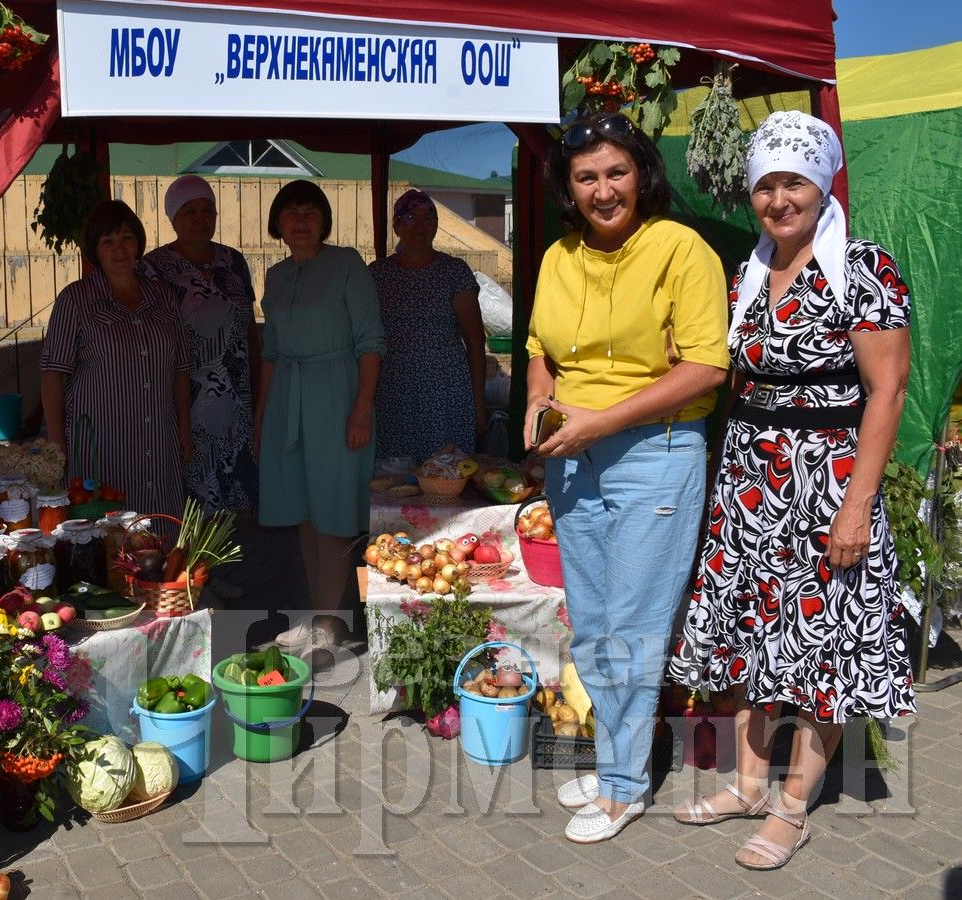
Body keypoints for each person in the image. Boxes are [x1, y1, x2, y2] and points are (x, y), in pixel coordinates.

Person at [667, 111, 915, 871]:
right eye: (765, 185)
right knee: (749, 638)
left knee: (819, 645)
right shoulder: (746, 271)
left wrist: (857, 504)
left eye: (793, 183)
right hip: (750, 480)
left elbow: (888, 391)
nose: (777, 199)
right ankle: (746, 786)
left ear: (822, 184)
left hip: (827, 482)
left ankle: (790, 807)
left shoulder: (862, 266)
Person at [524, 112, 729, 844]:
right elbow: (538, 346)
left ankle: (622, 788)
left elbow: (705, 366)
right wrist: (536, 399)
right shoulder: (557, 256)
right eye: (586, 177)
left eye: (616, 172)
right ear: (567, 187)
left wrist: (597, 423)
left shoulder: (680, 249)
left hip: (655, 455)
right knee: (595, 628)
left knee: (635, 630)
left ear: (641, 174)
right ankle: (621, 765)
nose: (603, 189)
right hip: (574, 453)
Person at [255, 179, 384, 650]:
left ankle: (331, 625)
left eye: (311, 212)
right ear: (278, 224)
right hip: (288, 397)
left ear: (324, 219)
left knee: (332, 513)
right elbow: (269, 351)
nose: (302, 221)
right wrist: (262, 415)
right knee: (303, 514)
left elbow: (371, 341)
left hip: (337, 393)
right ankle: (318, 616)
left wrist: (361, 408)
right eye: (292, 214)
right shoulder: (276, 276)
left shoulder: (347, 264)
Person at [40, 200, 192, 522]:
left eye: (126, 238)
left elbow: (180, 369)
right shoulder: (76, 300)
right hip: (102, 450)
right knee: (106, 547)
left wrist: (184, 429)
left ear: (138, 244)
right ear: (95, 250)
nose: (119, 249)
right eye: (107, 241)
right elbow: (53, 375)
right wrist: (57, 446)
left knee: (161, 542)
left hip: (159, 447)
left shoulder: (162, 296)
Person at [138, 175, 260, 514]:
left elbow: (249, 326)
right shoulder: (153, 268)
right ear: (173, 217)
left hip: (238, 396)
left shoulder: (233, 261)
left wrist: (260, 388)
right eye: (189, 211)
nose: (200, 219)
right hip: (186, 399)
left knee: (241, 495)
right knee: (193, 500)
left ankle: (242, 562)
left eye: (207, 210)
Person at [370, 189, 485, 461]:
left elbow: (476, 340)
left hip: (444, 393)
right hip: (392, 391)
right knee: (394, 478)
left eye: (428, 217)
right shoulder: (377, 274)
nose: (419, 225)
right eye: (410, 217)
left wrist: (478, 404)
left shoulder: (454, 272)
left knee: (446, 474)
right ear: (396, 226)